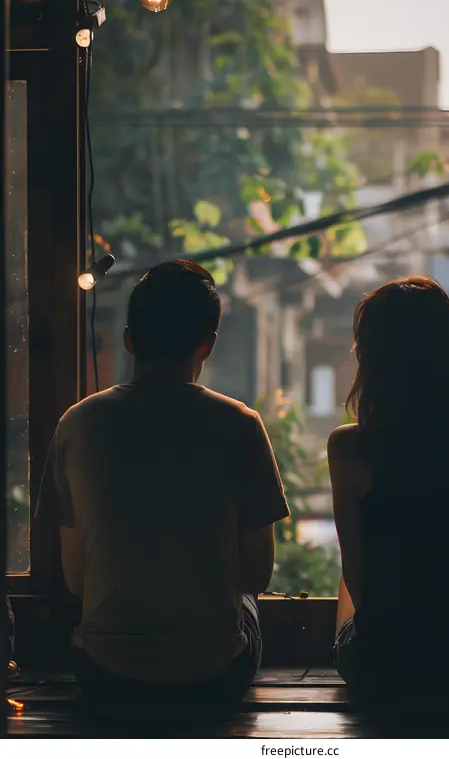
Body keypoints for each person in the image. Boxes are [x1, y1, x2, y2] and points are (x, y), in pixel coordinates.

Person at [36, 260, 289, 705]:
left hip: (105, 672)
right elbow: (257, 574)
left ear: (130, 340)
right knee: (246, 607)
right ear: (207, 346)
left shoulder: (77, 424)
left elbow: (77, 581)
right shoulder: (240, 424)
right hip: (212, 675)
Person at [328, 277, 449, 706]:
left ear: (371, 357)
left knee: (352, 578)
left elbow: (359, 581)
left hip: (385, 668)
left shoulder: (350, 447)